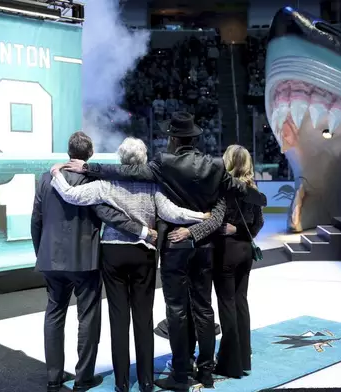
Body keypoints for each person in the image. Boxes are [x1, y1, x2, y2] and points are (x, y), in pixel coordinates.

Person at [62, 112, 267, 391]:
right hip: (205, 247)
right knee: (204, 309)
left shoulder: (164, 163)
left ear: (173, 138)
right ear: (194, 138)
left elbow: (127, 172)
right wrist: (260, 198)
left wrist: (90, 168)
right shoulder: (216, 166)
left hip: (174, 247)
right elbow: (239, 190)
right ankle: (206, 371)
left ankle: (181, 373)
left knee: (177, 310)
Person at [49, 137, 213, 392]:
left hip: (113, 255)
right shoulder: (152, 186)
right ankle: (146, 381)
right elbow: (172, 212)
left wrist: (56, 173)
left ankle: (122, 382)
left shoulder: (105, 184)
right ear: (143, 159)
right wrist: (200, 216)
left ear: (121, 159)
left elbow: (71, 196)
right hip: (143, 256)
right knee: (143, 319)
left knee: (119, 319)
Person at [31, 132, 154, 392]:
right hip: (85, 260)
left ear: (68, 152)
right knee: (87, 317)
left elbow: (36, 220)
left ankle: (53, 376)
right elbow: (107, 215)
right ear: (90, 154)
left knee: (54, 315)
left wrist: (39, 252)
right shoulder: (96, 180)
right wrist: (141, 231)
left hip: (51, 258)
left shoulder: (45, 179)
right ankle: (82, 377)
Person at [213, 145, 264, 379]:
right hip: (245, 252)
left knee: (227, 304)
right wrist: (243, 231)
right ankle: (244, 356)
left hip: (227, 252)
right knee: (240, 302)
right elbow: (258, 223)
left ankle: (230, 362)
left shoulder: (225, 187)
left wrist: (233, 229)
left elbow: (217, 221)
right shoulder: (253, 187)